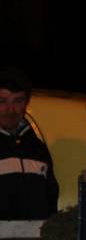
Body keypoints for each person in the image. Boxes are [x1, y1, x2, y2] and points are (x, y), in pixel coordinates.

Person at [0, 67, 59, 220]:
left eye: (18, 101)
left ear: (26, 103)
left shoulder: (38, 148)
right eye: (2, 101)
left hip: (36, 235)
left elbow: (51, 199)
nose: (10, 110)